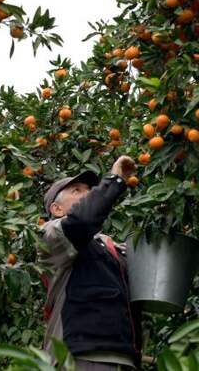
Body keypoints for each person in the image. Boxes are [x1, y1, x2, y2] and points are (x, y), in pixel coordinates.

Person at [38, 155, 141, 370]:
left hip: (124, 358)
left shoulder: (112, 247)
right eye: (77, 190)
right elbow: (82, 221)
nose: (88, 194)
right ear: (56, 209)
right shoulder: (50, 236)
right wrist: (115, 180)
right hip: (79, 355)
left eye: (90, 189)